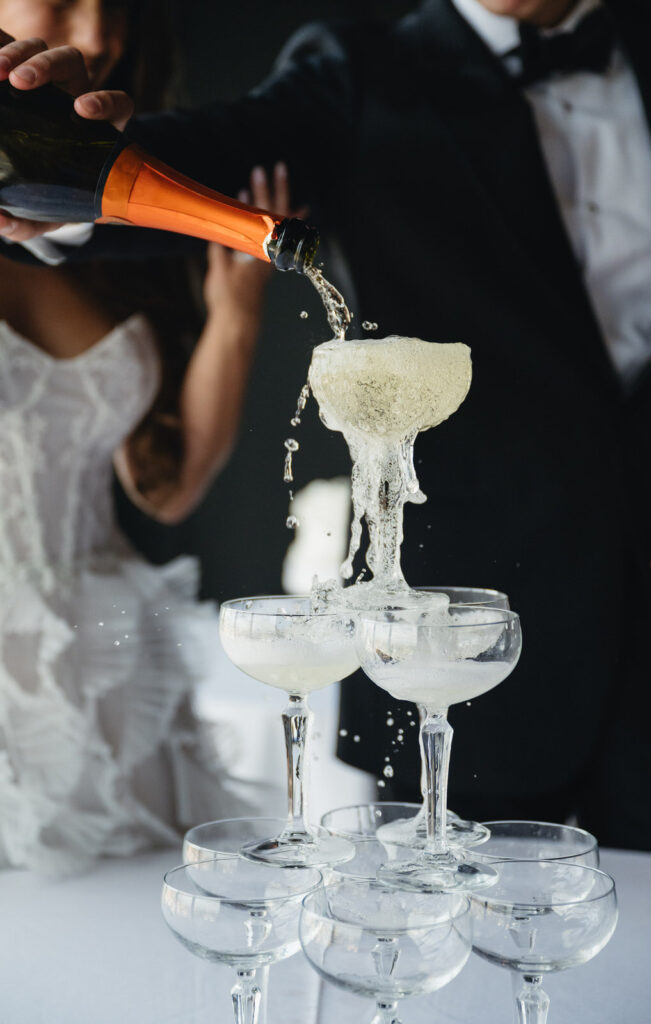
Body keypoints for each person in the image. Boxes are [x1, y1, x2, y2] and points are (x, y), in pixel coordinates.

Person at [1, 0, 649, 850]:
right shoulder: (355, 73)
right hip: (456, 646)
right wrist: (61, 172)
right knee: (434, 942)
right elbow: (203, 156)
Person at [0, 0, 293, 874]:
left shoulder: (123, 217)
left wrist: (236, 312)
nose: (100, 34)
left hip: (113, 670)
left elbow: (165, 485)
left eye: (122, 11)